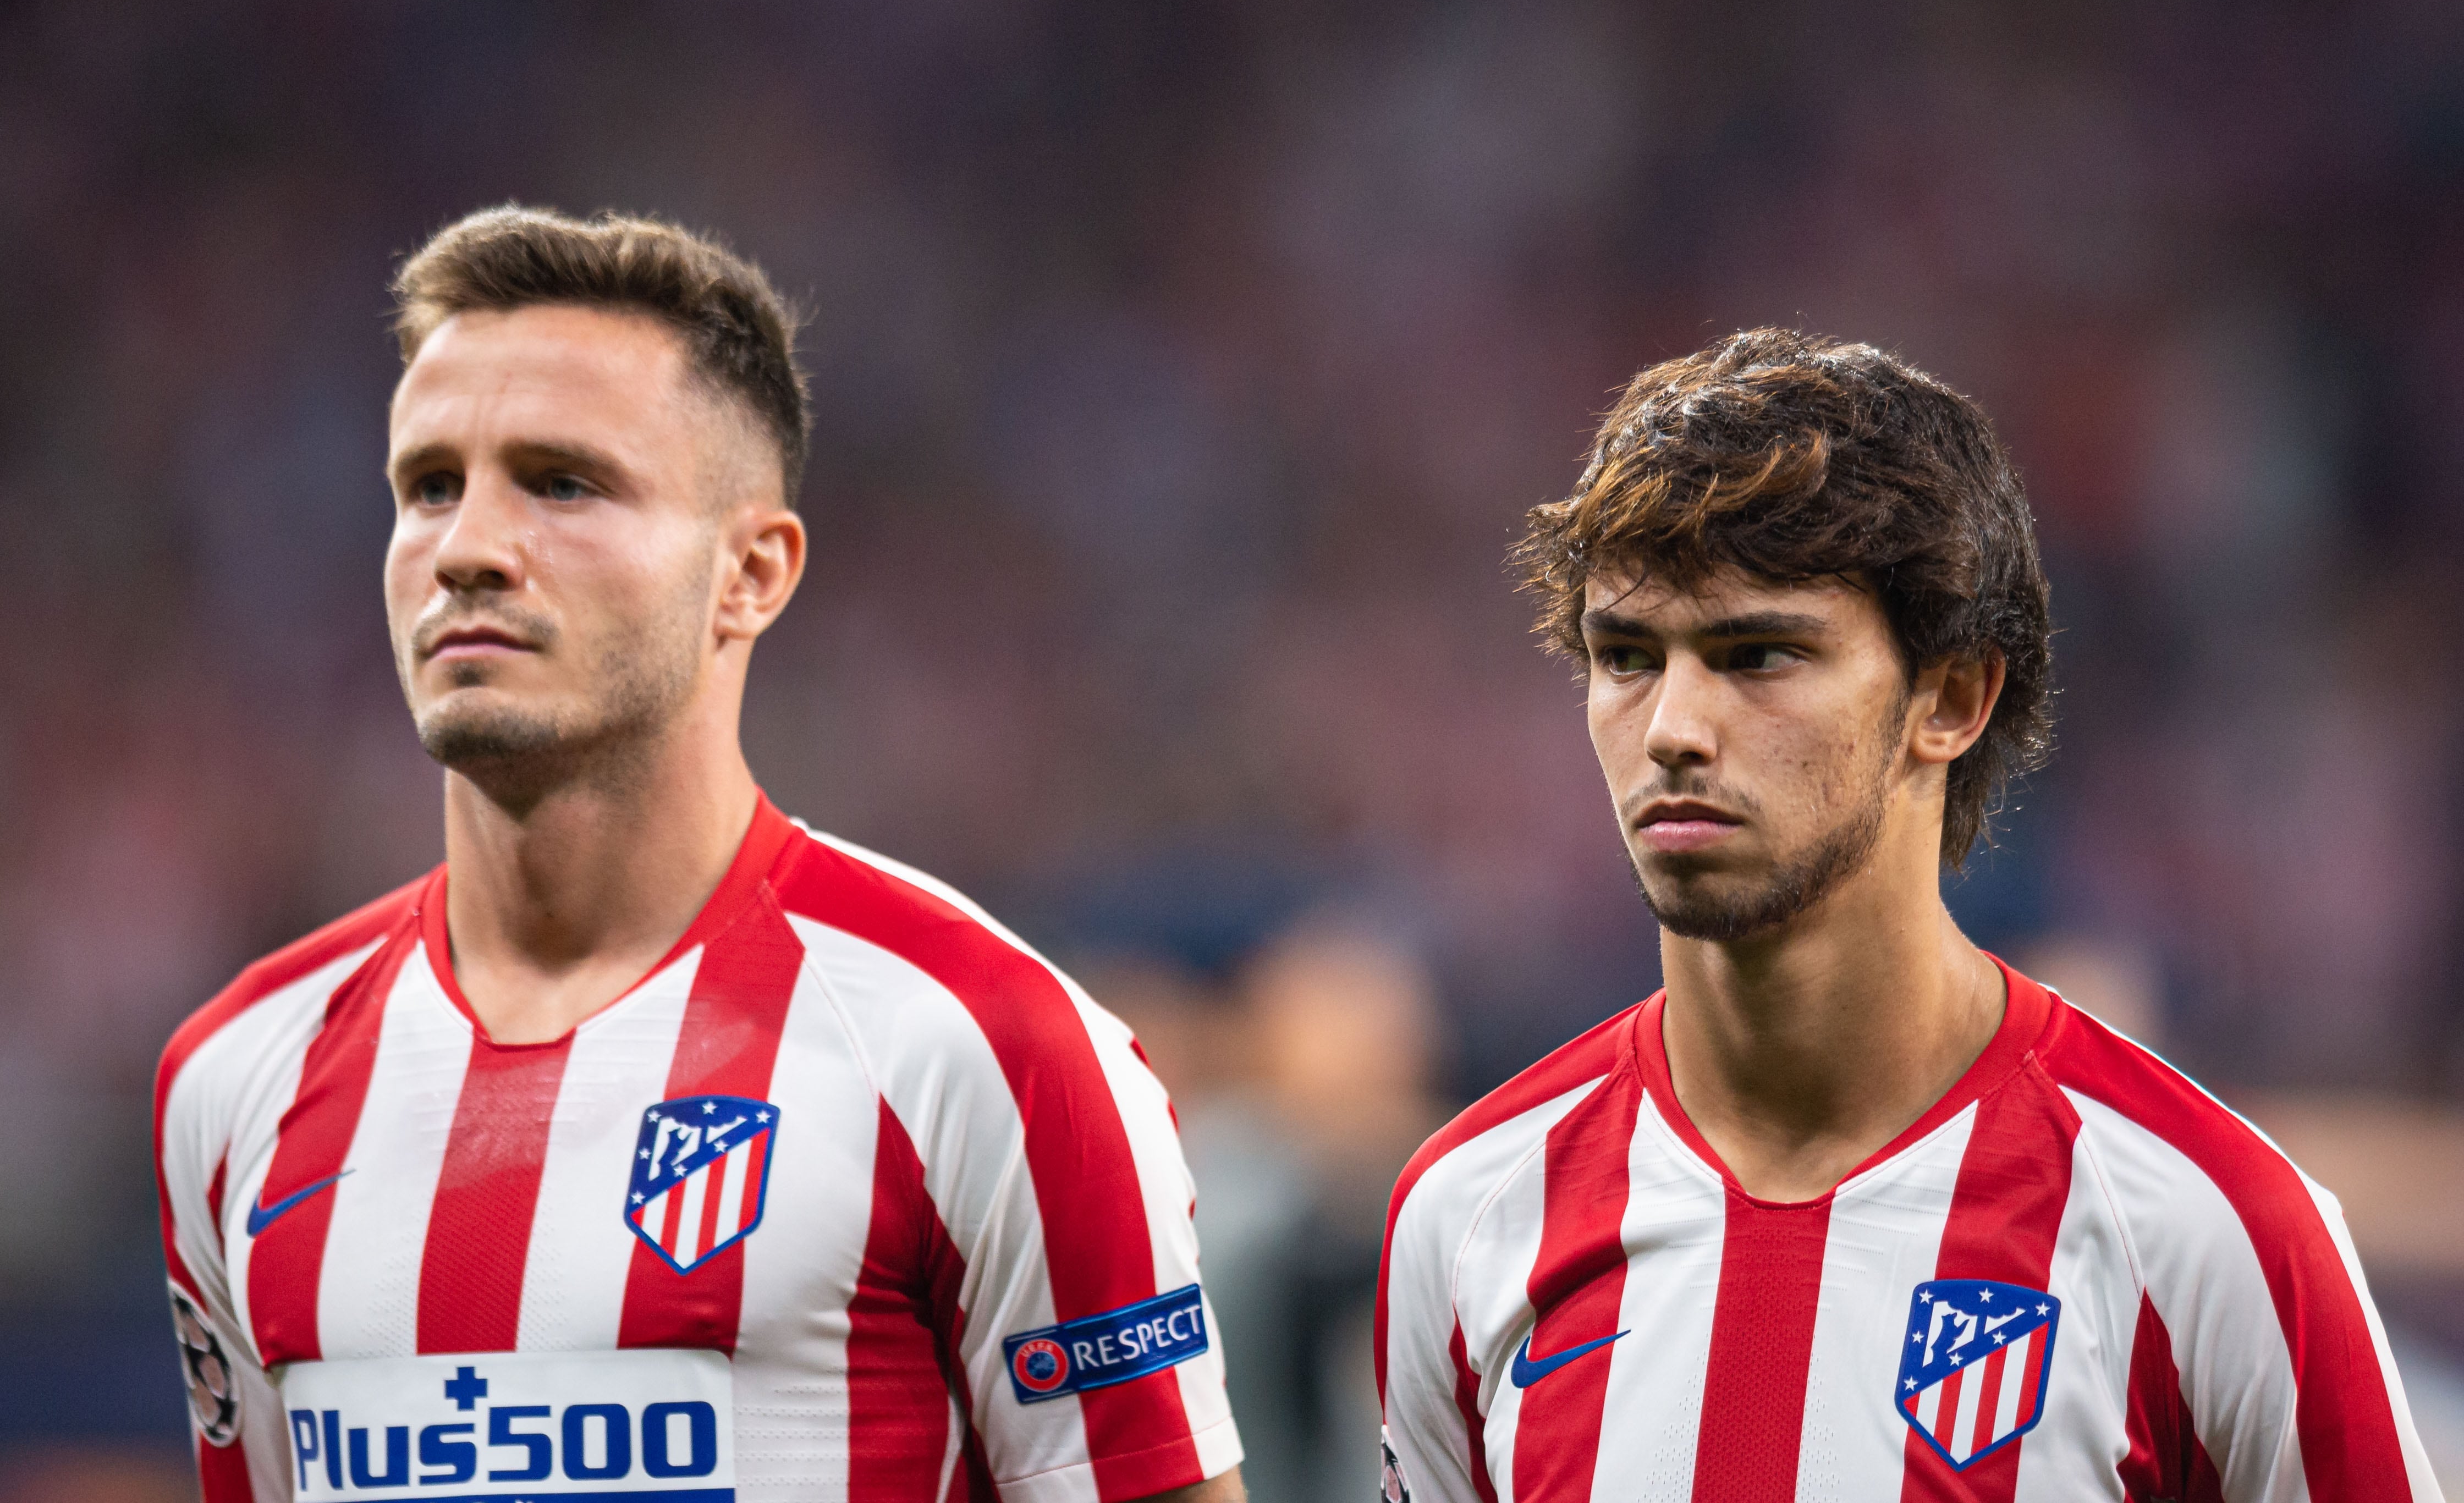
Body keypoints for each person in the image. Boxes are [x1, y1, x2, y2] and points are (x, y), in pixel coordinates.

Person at [152, 206, 1246, 1503]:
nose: (466, 549)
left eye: (561, 482)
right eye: (427, 485)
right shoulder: (234, 1083)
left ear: (752, 572)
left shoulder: (983, 1046)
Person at [1373, 331, 2442, 1501]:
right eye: (1625, 655)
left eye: (1756, 653)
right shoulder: (1468, 1215)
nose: (1671, 725)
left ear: (1949, 697)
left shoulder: (2207, 1227)